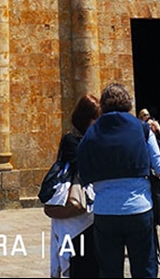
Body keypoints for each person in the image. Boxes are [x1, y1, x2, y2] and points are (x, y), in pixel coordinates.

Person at [76, 81, 160, 278]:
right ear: (128, 103)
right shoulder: (142, 129)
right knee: (144, 270)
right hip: (139, 209)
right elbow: (159, 167)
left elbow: (82, 173)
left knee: (109, 272)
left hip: (105, 212)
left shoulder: (92, 133)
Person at [48, 94, 101, 279]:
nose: (98, 123)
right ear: (86, 118)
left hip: (90, 211)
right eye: (96, 118)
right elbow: (84, 166)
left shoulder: (91, 138)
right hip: (75, 206)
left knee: (91, 260)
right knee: (79, 260)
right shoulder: (71, 140)